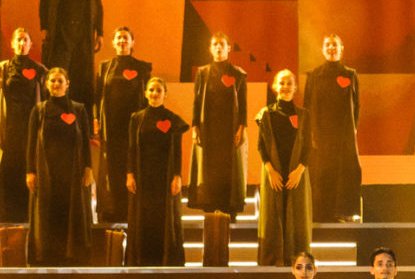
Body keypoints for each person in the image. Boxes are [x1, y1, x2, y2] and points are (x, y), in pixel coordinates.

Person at [25, 66, 90, 264]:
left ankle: (70, 256)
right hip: (46, 171)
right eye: (52, 80)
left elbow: (85, 141)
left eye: (60, 80)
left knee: (70, 213)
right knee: (47, 213)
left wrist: (88, 168)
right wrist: (30, 171)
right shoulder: (39, 110)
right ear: (46, 84)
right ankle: (46, 255)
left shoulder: (79, 109)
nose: (56, 84)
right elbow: (31, 143)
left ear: (67, 84)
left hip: (72, 171)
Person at [125, 74, 191, 265]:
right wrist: (130, 174)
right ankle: (142, 260)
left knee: (164, 218)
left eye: (159, 90)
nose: (155, 93)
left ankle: (165, 260)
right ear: (146, 93)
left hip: (164, 177)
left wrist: (177, 176)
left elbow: (177, 150)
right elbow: (131, 148)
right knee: (143, 217)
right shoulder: (136, 118)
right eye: (151, 90)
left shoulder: (172, 119)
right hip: (142, 176)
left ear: (165, 94)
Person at [187, 32, 249, 217]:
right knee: (209, 169)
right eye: (215, 44)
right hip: (209, 128)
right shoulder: (203, 72)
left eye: (222, 44)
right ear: (210, 48)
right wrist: (195, 126)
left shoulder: (238, 73)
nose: (219, 47)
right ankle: (209, 206)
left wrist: (242, 127)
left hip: (229, 129)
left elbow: (243, 104)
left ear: (229, 48)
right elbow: (196, 101)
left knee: (228, 169)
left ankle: (228, 208)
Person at [254, 70, 314, 264]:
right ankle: (273, 259)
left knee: (297, 215)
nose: (285, 87)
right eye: (282, 83)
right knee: (273, 216)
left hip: (296, 173)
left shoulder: (303, 115)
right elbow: (261, 146)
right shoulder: (266, 114)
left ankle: (297, 259)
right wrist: (270, 171)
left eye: (289, 83)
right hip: (274, 173)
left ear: (295, 88)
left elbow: (308, 146)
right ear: (275, 86)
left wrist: (299, 171)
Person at [0, 27, 46, 226]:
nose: (22, 43)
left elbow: (42, 101)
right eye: (19, 40)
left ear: (30, 44)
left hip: (30, 125)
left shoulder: (40, 70)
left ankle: (27, 215)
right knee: (8, 168)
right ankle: (7, 217)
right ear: (12, 44)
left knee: (28, 166)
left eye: (25, 40)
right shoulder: (3, 68)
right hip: (9, 126)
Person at [96, 25, 153, 226]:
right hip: (111, 127)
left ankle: (133, 211)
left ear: (132, 42)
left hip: (134, 127)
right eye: (118, 38)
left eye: (125, 38)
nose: (122, 41)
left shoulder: (143, 68)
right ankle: (114, 211)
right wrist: (96, 121)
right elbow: (98, 96)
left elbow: (148, 99)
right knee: (112, 170)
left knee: (133, 167)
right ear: (113, 42)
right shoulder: (104, 67)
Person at [304, 32, 364, 222]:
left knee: (345, 171)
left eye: (334, 45)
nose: (331, 48)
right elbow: (307, 106)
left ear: (341, 49)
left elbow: (356, 104)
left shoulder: (350, 74)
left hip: (343, 134)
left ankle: (343, 213)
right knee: (322, 172)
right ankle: (320, 213)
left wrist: (353, 128)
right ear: (322, 50)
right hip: (321, 134)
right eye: (328, 45)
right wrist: (310, 132)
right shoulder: (314, 76)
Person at [39, 0, 100, 104]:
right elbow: (45, 0)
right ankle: (55, 109)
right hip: (61, 31)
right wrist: (44, 26)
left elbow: (97, 3)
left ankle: (83, 114)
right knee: (59, 71)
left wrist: (100, 32)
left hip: (84, 32)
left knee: (83, 75)